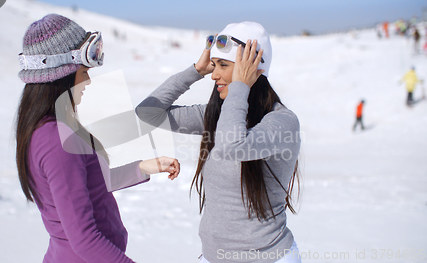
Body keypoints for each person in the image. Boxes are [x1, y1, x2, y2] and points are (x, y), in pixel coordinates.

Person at [15, 14, 180, 263]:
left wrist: (143, 167)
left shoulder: (46, 129)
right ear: (60, 76)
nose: (88, 80)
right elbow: (85, 240)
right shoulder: (56, 140)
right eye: (83, 72)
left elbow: (84, 185)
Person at [136, 22, 301, 263]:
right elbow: (148, 113)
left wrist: (240, 86)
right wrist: (195, 70)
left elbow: (232, 146)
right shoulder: (216, 116)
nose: (214, 75)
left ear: (255, 67)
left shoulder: (283, 122)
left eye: (223, 65)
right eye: (213, 65)